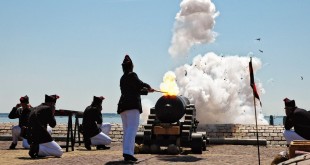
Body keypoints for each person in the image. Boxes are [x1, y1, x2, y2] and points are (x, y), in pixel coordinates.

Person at [117, 55, 154, 162]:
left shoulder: (122, 78)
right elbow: (140, 84)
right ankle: (128, 153)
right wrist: (148, 86)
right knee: (132, 129)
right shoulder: (132, 75)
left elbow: (134, 90)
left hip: (123, 106)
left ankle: (127, 152)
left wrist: (147, 91)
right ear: (131, 66)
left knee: (127, 130)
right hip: (132, 106)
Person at [27, 94, 63, 158]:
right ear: (52, 103)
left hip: (31, 137)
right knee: (59, 152)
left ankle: (37, 148)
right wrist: (52, 112)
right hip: (41, 136)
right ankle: (37, 149)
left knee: (48, 130)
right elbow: (53, 124)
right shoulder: (48, 109)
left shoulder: (34, 108)